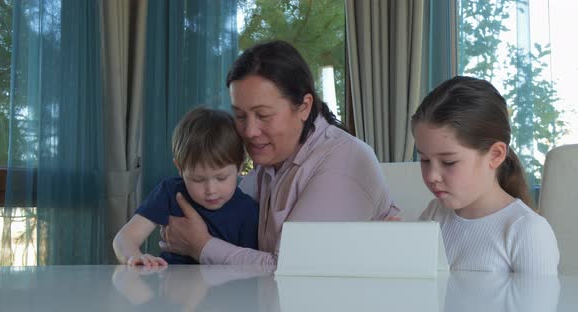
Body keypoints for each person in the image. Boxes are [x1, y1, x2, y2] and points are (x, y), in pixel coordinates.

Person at [159, 40, 400, 266]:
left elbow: (292, 267)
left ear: (304, 107)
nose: (249, 131)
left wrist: (200, 245)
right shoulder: (271, 162)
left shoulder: (343, 160)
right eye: (240, 116)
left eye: (263, 115)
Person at [414, 76, 559, 274]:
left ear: (495, 155)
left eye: (448, 162)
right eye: (424, 160)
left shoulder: (526, 231)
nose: (432, 176)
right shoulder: (433, 214)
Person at [113, 107, 259, 266]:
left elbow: (250, 269)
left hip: (227, 289)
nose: (211, 190)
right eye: (197, 179)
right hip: (173, 286)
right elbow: (124, 238)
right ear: (180, 168)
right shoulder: (170, 192)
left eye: (221, 178)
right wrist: (134, 257)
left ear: (239, 167)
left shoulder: (248, 210)